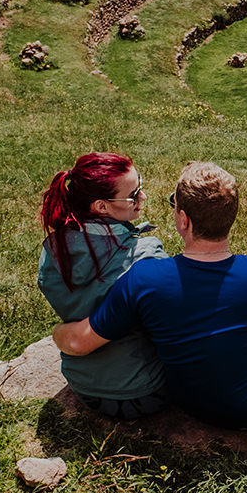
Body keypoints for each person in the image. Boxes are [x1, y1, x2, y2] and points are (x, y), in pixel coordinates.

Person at [52, 161, 247, 429]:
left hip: (191, 405)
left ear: (183, 219)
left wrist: (57, 331)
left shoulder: (144, 279)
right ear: (231, 216)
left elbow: (79, 341)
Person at [38, 152, 169, 419]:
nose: (142, 197)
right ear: (101, 207)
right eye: (133, 194)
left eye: (140, 186)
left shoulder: (55, 250)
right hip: (143, 392)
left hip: (81, 383)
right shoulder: (145, 256)